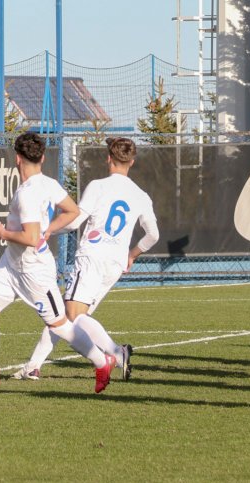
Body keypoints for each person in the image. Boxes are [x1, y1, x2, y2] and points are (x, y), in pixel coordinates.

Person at [0, 133, 116, 395]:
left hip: (34, 271)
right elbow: (72, 211)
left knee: (60, 325)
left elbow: (31, 238)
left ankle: (102, 361)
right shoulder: (48, 183)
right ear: (42, 158)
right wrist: (49, 228)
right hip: (10, 264)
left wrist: (3, 233)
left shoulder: (28, 194)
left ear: (17, 159)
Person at [13, 137, 159, 382]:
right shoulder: (141, 195)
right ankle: (33, 366)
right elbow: (153, 235)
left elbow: (76, 220)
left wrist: (46, 230)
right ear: (131, 162)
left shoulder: (98, 186)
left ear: (108, 158)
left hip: (92, 257)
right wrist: (132, 255)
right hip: (114, 263)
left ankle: (116, 353)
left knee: (71, 313)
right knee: (64, 314)